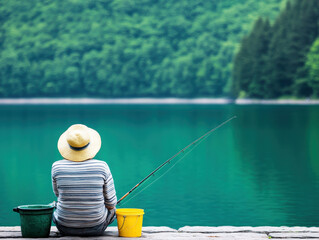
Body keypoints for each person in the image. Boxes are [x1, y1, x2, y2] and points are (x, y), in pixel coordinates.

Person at [51, 124, 117, 236]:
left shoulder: (57, 166)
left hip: (64, 227)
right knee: (113, 210)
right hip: (96, 227)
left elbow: (58, 195)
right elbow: (111, 202)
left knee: (55, 204)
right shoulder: (102, 166)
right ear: (90, 146)